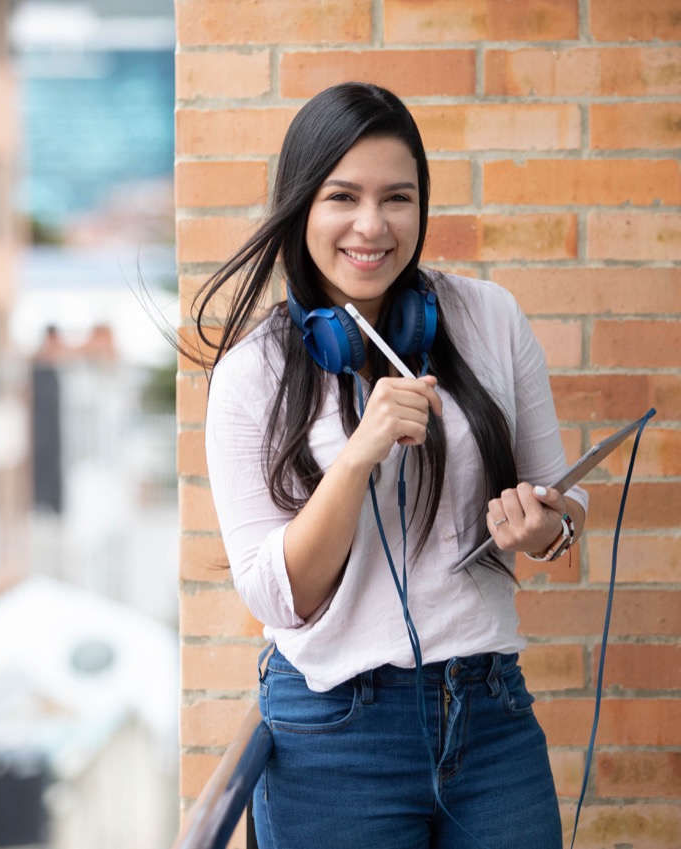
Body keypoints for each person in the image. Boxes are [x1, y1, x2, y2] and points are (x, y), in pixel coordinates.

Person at [194, 82, 588, 848]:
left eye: (396, 198)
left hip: (491, 718)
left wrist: (545, 527)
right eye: (343, 196)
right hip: (334, 738)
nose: (372, 225)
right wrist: (357, 458)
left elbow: (569, 504)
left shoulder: (490, 318)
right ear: (301, 205)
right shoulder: (253, 374)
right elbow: (279, 593)